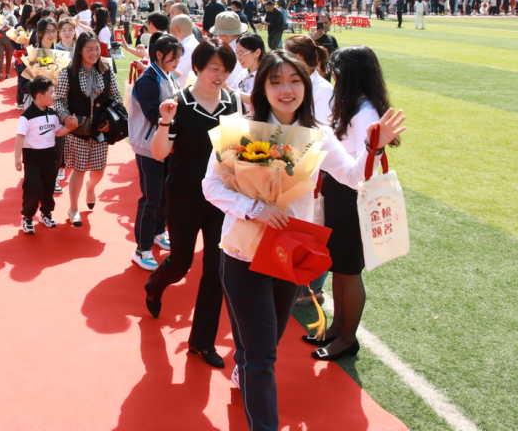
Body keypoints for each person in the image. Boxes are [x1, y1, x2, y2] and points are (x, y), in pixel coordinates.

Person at [204, 50, 406, 431]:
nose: (286, 89)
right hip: (242, 253)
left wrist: (373, 148)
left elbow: (353, 177)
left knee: (265, 343)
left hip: (288, 255)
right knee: (263, 356)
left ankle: (245, 367)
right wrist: (255, 208)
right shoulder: (240, 129)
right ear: (262, 87)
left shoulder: (319, 134)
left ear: (306, 86)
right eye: (276, 81)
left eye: (294, 81)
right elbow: (211, 186)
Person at [143, 39, 240, 369]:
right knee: (181, 262)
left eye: (226, 70)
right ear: (197, 68)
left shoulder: (233, 103)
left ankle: (201, 341)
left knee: (216, 270)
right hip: (184, 196)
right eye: (215, 68)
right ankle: (155, 284)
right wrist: (165, 121)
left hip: (222, 200)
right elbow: (159, 153)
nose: (220, 75)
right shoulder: (178, 103)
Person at [310, 46, 401, 360]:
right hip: (340, 192)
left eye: (335, 72)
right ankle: (338, 327)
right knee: (339, 266)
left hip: (352, 196)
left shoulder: (364, 113)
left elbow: (365, 168)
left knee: (349, 270)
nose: (332, 78)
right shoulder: (355, 106)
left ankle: (348, 338)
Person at [52, 30, 121, 227]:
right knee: (79, 169)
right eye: (89, 49)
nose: (94, 53)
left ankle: (91, 188)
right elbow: (59, 100)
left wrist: (110, 120)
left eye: (97, 48)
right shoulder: (68, 72)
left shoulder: (106, 70)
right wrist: (65, 117)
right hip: (77, 130)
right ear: (80, 51)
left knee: (99, 170)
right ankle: (73, 208)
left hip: (100, 129)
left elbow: (116, 97)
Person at [127, 33, 182, 270]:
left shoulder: (168, 75)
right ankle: (142, 249)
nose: (177, 61)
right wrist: (175, 116)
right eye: (173, 57)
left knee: (164, 195)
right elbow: (152, 114)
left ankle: (159, 231)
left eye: (179, 57)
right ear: (159, 55)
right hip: (148, 147)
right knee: (150, 198)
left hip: (166, 144)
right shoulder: (148, 79)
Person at [14, 75, 72, 233]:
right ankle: (27, 217)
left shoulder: (53, 114)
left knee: (48, 188)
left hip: (49, 158)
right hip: (32, 159)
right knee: (32, 188)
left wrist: (70, 127)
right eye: (51, 93)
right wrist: (17, 157)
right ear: (39, 96)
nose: (54, 96)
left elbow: (58, 132)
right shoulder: (27, 116)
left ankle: (46, 213)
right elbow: (20, 137)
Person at [169, 15, 199, 87]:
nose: (169, 32)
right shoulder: (192, 44)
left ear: (177, 30)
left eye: (170, 29)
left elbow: (174, 74)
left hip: (182, 89)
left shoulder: (186, 48)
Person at [233, 33, 265, 100]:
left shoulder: (265, 75)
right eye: (237, 54)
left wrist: (229, 90)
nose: (238, 58)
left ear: (257, 52)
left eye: (241, 53)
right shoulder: (244, 72)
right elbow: (232, 88)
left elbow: (258, 101)